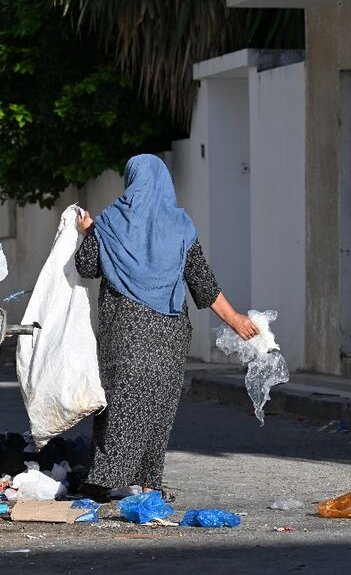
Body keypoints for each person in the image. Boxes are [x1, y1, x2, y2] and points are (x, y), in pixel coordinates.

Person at [74, 154, 258, 503]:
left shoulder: (111, 221)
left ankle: (104, 478)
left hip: (123, 330)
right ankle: (149, 484)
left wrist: (87, 233)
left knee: (119, 402)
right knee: (158, 406)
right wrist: (235, 319)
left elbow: (86, 267)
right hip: (168, 332)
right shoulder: (180, 226)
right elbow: (201, 281)